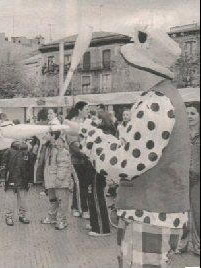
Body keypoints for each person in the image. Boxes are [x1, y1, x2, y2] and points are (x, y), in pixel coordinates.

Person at [64, 27, 190, 268]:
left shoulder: (156, 103)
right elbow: (131, 150)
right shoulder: (164, 98)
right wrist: (86, 131)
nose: (127, 66)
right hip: (154, 212)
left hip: (150, 212)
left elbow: (125, 164)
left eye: (131, 61)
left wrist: (85, 133)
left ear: (143, 65)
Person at [87, 111, 115, 237]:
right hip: (98, 168)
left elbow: (89, 149)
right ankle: (95, 223)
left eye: (97, 119)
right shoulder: (109, 135)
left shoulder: (100, 135)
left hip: (97, 168)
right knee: (94, 195)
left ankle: (102, 228)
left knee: (97, 196)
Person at [177, 104, 200, 255]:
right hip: (183, 179)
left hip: (198, 179)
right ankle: (182, 243)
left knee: (198, 213)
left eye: (193, 113)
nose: (190, 116)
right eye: (187, 113)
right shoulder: (181, 134)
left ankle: (198, 245)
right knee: (182, 213)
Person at [66, 101, 92, 219]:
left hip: (87, 159)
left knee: (85, 184)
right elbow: (73, 143)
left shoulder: (88, 123)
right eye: (86, 109)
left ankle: (79, 207)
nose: (88, 111)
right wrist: (86, 152)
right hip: (77, 160)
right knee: (79, 184)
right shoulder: (72, 124)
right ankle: (81, 208)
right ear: (80, 110)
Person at [40, 133, 72, 230]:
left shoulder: (60, 149)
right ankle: (52, 217)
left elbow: (63, 165)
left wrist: (59, 178)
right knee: (53, 200)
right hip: (51, 180)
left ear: (53, 136)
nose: (44, 136)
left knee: (62, 201)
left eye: (47, 134)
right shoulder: (49, 147)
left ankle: (62, 220)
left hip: (59, 181)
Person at [2, 140, 33, 226]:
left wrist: (30, 180)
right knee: (10, 199)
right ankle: (9, 216)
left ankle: (21, 215)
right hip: (11, 178)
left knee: (22, 199)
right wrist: (2, 178)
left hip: (23, 179)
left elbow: (30, 167)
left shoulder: (27, 152)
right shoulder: (8, 152)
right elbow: (4, 166)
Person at [0, 113, 14, 184]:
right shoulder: (12, 125)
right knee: (10, 164)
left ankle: (1, 179)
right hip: (10, 147)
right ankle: (10, 180)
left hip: (0, 148)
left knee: (2, 164)